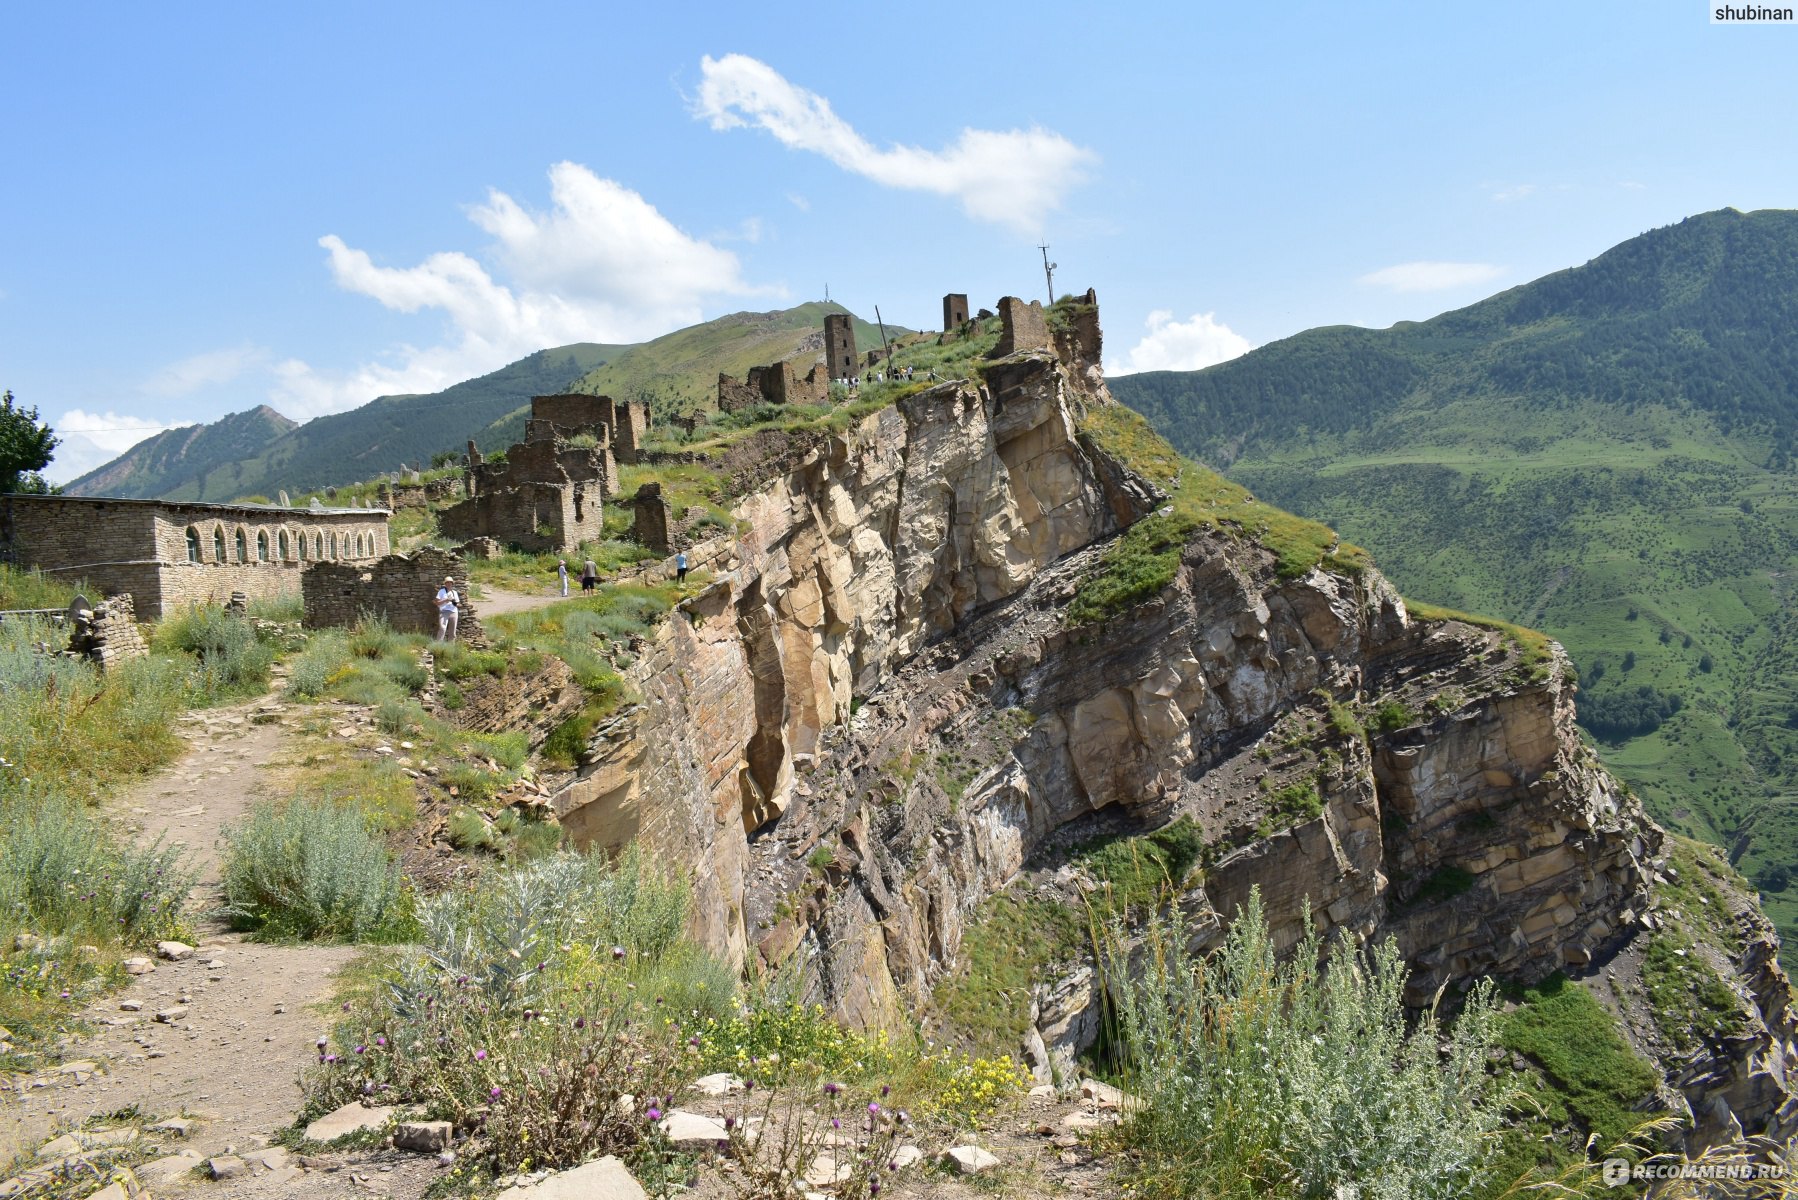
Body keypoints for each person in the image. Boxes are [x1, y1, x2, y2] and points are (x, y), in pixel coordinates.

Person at [435, 576, 460, 642]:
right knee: (442, 628)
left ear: (452, 584)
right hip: (443, 611)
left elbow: (458, 604)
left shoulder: (454, 592)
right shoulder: (441, 591)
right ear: (445, 584)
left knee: (452, 631)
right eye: (447, 582)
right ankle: (438, 645)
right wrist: (445, 600)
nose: (449, 584)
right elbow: (437, 603)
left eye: (450, 582)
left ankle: (451, 646)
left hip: (453, 612)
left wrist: (454, 602)